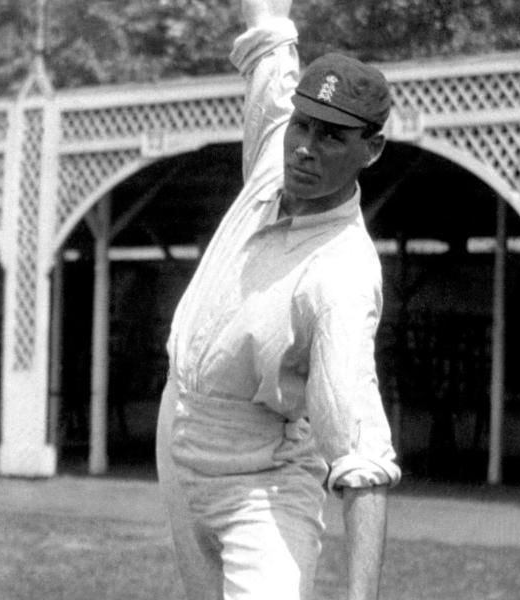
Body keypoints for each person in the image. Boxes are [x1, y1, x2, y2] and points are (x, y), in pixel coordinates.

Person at [155, 1, 401, 599]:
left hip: (262, 478)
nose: (306, 150)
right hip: (179, 429)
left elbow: (360, 452)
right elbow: (270, 41)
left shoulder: (340, 273)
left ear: (372, 149)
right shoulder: (276, 157)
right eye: (303, 125)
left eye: (333, 137)